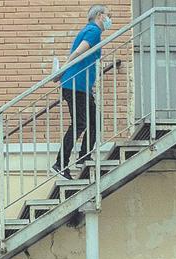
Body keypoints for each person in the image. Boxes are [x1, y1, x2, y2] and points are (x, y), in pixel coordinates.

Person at [55, 4, 111, 178]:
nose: (110, 19)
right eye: (108, 15)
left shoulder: (91, 31)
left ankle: (83, 157)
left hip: (80, 86)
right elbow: (80, 51)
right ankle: (60, 164)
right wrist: (63, 69)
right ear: (100, 16)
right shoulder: (93, 31)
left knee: (94, 121)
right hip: (75, 85)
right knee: (80, 123)